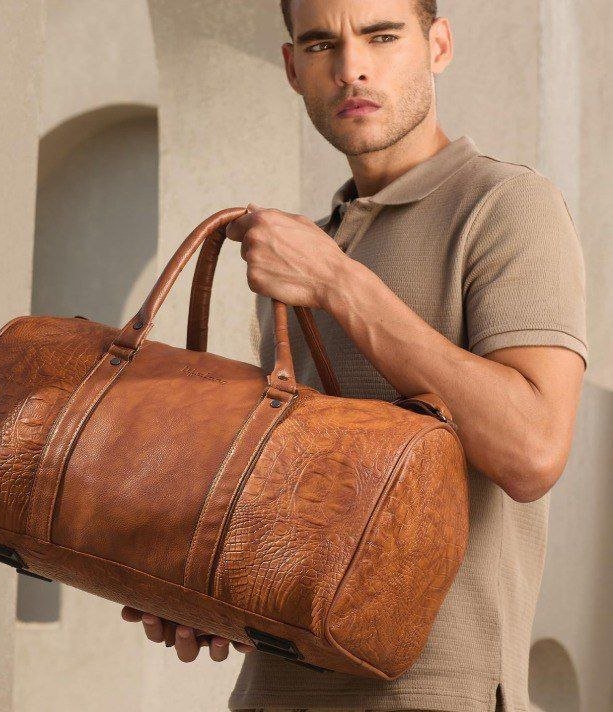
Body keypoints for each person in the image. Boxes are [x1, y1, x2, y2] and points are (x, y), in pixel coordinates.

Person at [121, 1, 588, 710]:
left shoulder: (505, 206)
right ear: (292, 68)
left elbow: (532, 450)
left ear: (437, 45)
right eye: (320, 44)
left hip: (433, 694)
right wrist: (201, 588)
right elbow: (303, 501)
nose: (350, 68)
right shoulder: (303, 252)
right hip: (272, 692)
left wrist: (339, 284)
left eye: (381, 36)